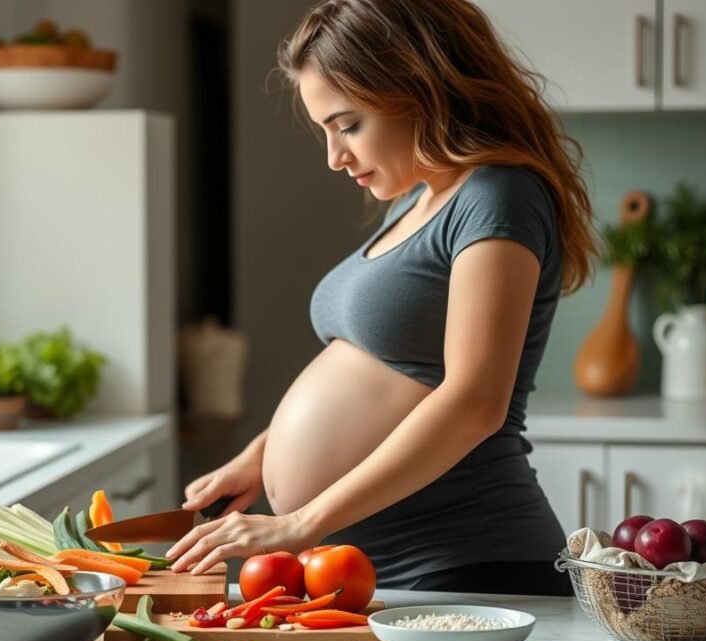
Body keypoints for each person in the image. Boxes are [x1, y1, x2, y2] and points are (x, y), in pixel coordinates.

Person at [165, 0, 597, 596]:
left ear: (419, 86)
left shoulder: (499, 195)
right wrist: (261, 458)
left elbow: (474, 402)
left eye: (348, 125)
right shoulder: (414, 203)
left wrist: (299, 521)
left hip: (469, 565)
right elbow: (397, 373)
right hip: (371, 570)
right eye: (325, 131)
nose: (334, 157)